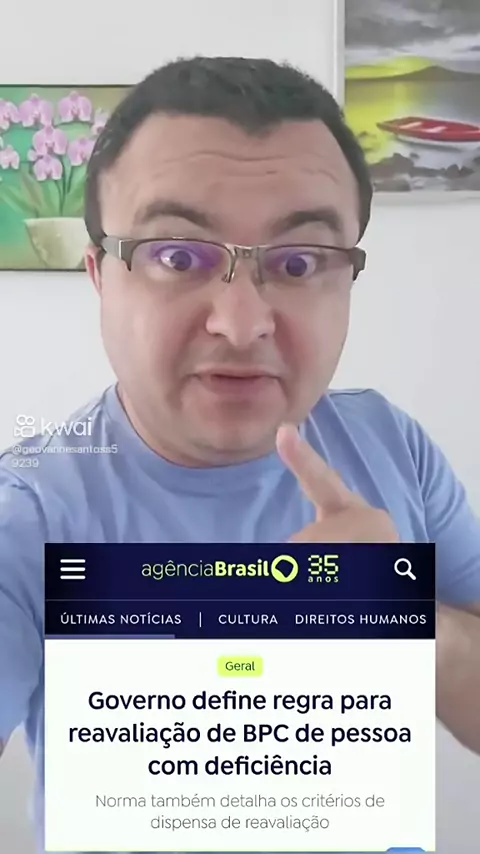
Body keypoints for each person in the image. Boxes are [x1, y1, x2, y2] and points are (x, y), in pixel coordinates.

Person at [0, 56, 479, 854]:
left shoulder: (391, 445)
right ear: (100, 277)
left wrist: (404, 621)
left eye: (299, 262)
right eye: (176, 256)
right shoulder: (27, 511)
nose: (242, 321)